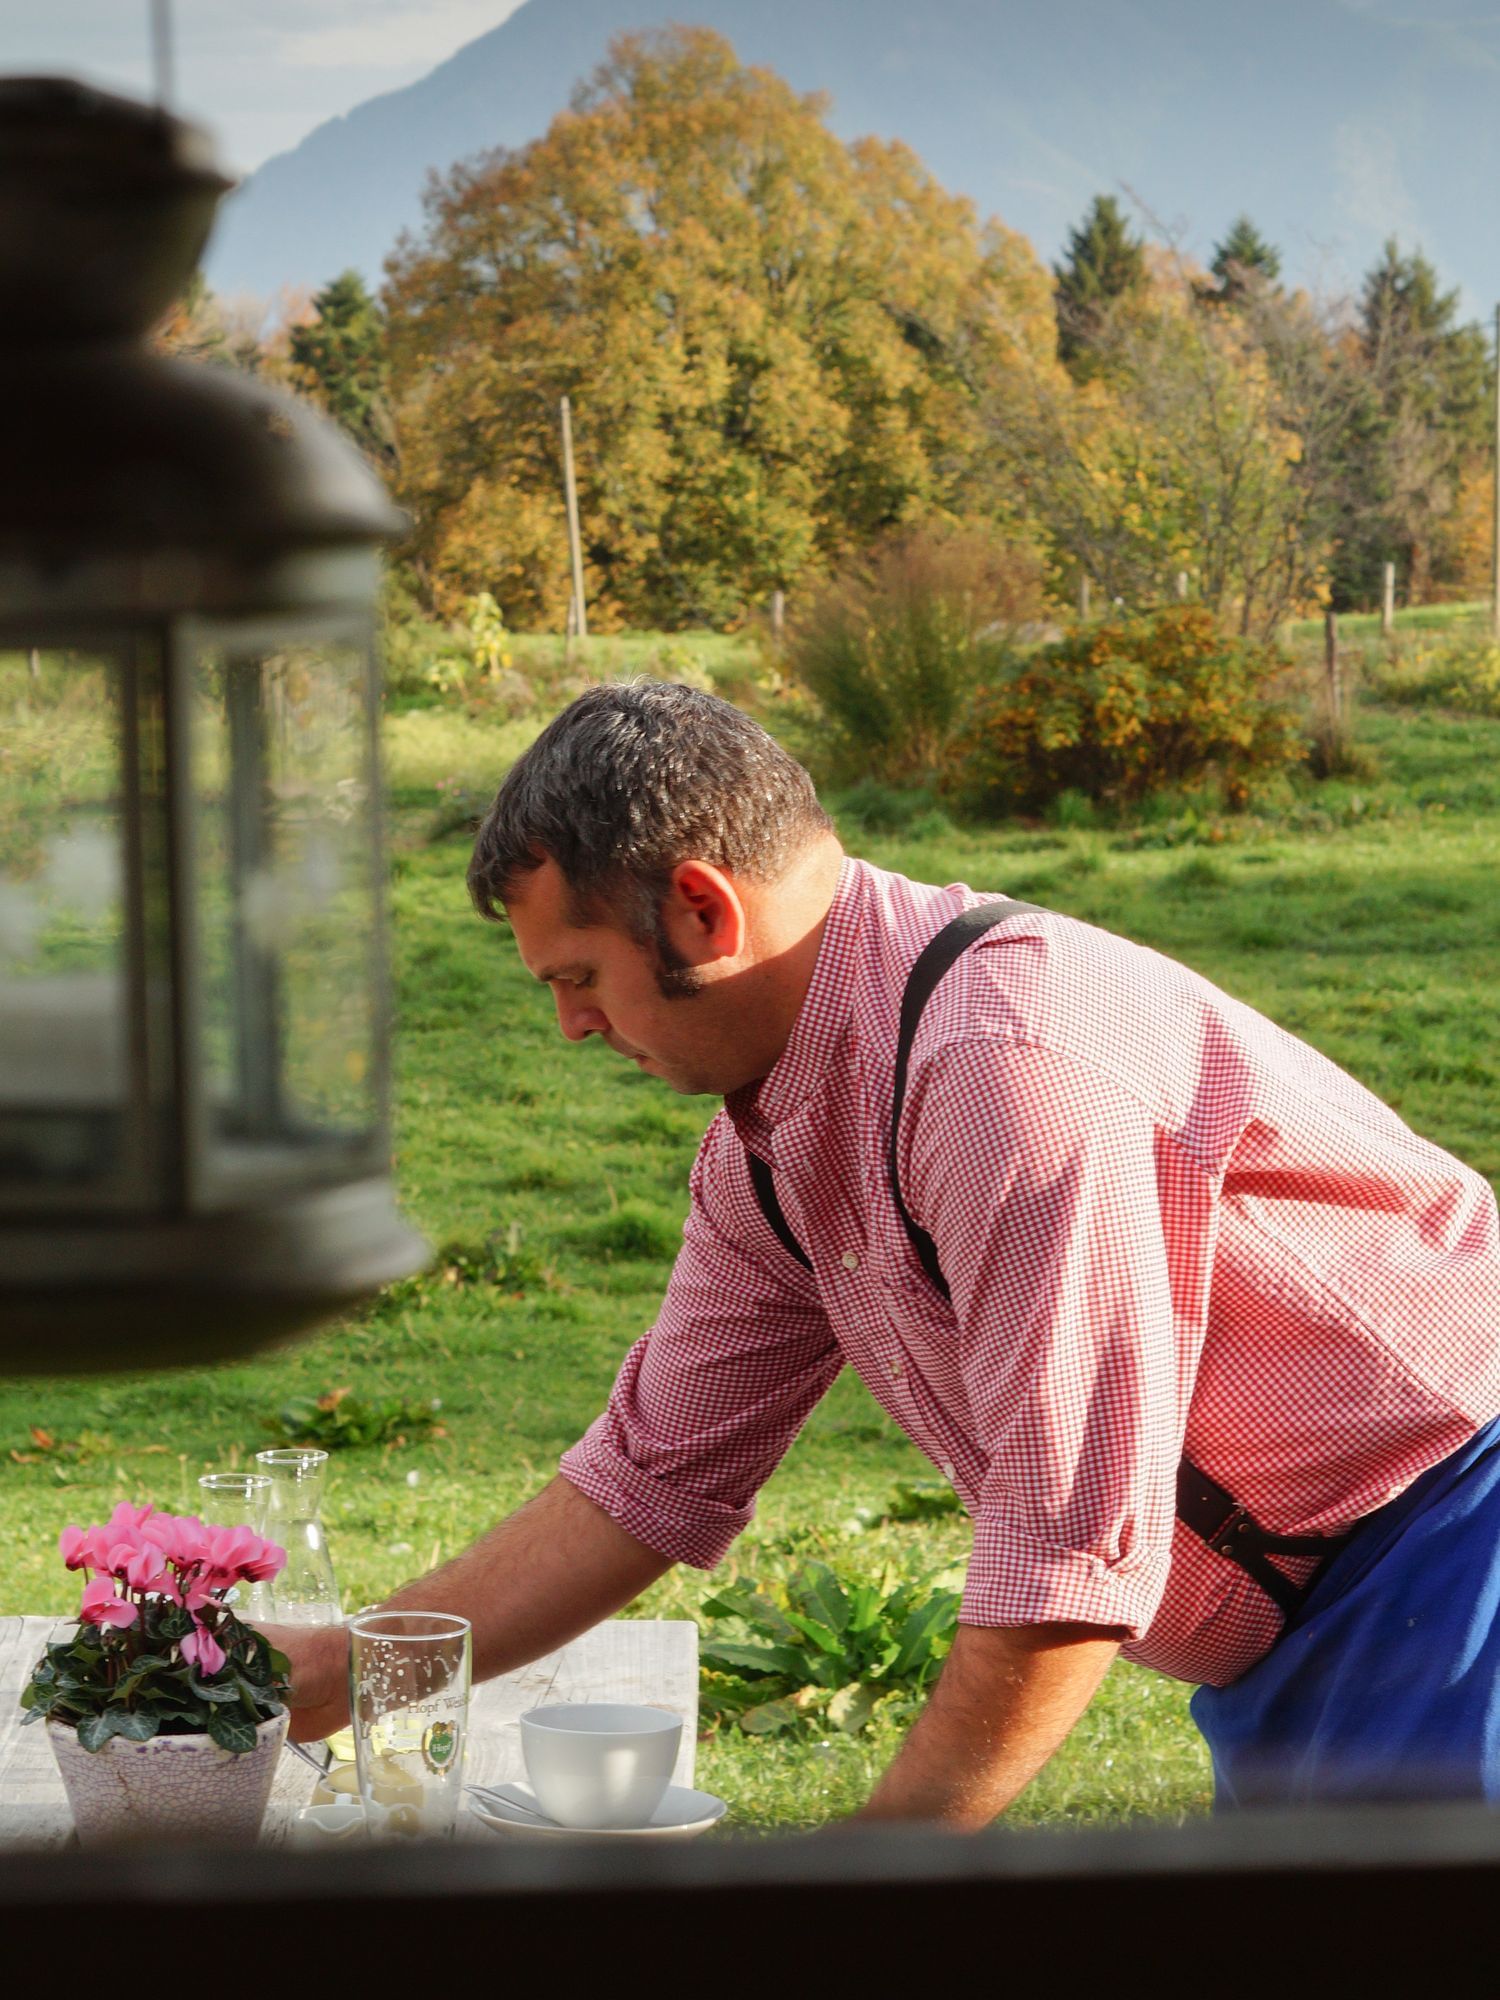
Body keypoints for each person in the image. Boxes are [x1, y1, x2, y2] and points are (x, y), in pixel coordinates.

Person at [279, 680, 1500, 1821]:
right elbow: (645, 1483)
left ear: (702, 907)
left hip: (1455, 1546)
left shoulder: (997, 1064)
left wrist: (870, 1886)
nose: (571, 1026)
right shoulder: (770, 1146)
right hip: (1312, 1635)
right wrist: (337, 1670)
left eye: (580, 974)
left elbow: (1069, 1544)